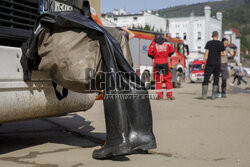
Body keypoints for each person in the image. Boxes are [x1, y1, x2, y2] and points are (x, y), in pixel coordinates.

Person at [148, 33, 175, 100]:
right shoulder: (167, 42)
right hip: (165, 62)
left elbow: (149, 53)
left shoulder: (153, 42)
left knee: (158, 79)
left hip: (157, 62)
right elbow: (172, 51)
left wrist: (154, 57)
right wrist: (167, 55)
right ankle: (170, 95)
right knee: (167, 79)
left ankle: (159, 96)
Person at [202, 31, 226, 99]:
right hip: (217, 64)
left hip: (210, 63)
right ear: (217, 36)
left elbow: (206, 53)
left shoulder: (209, 43)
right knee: (216, 79)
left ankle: (204, 96)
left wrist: (203, 62)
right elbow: (224, 53)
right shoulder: (220, 43)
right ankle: (213, 96)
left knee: (206, 78)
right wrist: (218, 53)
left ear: (212, 36)